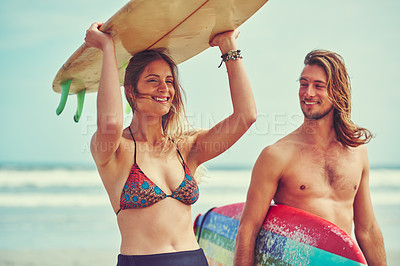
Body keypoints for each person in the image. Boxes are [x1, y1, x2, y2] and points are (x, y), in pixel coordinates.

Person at [84, 22, 256, 266]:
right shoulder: (115, 150)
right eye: (153, 81)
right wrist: (107, 46)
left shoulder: (186, 149)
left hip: (195, 259)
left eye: (169, 81)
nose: (164, 88)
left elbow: (245, 116)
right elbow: (110, 123)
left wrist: (228, 46)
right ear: (131, 92)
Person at [234, 50, 386, 266]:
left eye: (318, 85)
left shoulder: (357, 153)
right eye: (303, 84)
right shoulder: (277, 156)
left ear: (337, 92)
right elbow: (248, 230)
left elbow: (367, 229)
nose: (308, 93)